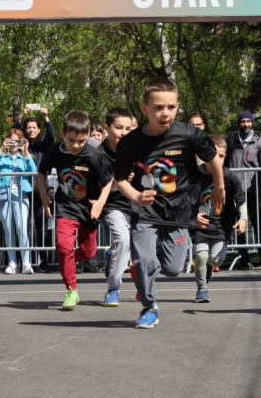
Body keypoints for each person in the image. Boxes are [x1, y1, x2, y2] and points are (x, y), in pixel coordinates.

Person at [114, 78, 224, 329]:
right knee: (145, 261)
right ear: (145, 109)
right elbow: (120, 179)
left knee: (174, 268)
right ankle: (149, 307)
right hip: (146, 211)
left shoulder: (190, 134)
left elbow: (213, 159)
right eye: (158, 108)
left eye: (171, 107)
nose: (165, 113)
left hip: (180, 210)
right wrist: (136, 196)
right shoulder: (131, 142)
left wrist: (219, 186)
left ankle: (152, 263)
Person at [37, 110, 112, 310]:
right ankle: (71, 290)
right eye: (71, 140)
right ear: (62, 134)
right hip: (66, 207)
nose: (76, 146)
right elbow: (41, 172)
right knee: (63, 245)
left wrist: (100, 203)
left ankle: (67, 256)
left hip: (89, 208)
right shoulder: (54, 152)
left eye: (82, 141)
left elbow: (108, 182)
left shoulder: (93, 154)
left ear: (87, 137)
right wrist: (44, 197)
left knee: (88, 253)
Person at [193, 134, 248, 302]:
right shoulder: (195, 175)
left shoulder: (229, 176)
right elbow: (184, 200)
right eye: (215, 155)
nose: (219, 159)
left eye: (222, 156)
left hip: (221, 226)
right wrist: (192, 215)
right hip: (200, 225)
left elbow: (241, 200)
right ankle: (202, 289)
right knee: (201, 256)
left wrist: (243, 218)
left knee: (215, 260)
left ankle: (210, 267)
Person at [92, 108, 136, 307]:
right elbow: (100, 186)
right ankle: (113, 288)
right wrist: (120, 183)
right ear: (106, 129)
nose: (124, 133)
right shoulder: (99, 154)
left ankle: (114, 256)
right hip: (113, 205)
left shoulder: (137, 149)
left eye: (128, 128)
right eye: (119, 128)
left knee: (139, 247)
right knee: (123, 239)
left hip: (137, 204)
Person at [226, 111, 261, 269]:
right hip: (234, 191)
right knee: (238, 226)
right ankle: (243, 259)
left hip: (253, 192)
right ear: (239, 123)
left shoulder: (259, 143)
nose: (246, 124)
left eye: (248, 121)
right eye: (243, 121)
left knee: (259, 225)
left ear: (252, 123)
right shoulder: (231, 140)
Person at [0, 128, 37, 275]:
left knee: (21, 228)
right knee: (8, 229)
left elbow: (34, 170)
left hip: (20, 194)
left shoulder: (25, 158)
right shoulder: (2, 157)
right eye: (12, 140)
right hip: (4, 194)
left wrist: (27, 151)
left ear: (22, 141)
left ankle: (26, 262)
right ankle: (12, 262)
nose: (15, 144)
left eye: (18, 140)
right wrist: (1, 148)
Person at [14, 105, 55, 272]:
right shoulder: (21, 143)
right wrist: (22, 116)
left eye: (34, 128)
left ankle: (43, 259)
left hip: (39, 188)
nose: (31, 130)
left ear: (39, 130)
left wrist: (46, 118)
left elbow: (52, 136)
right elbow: (14, 132)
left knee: (40, 225)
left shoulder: (43, 145)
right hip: (22, 187)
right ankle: (20, 260)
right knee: (21, 225)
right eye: (28, 128)